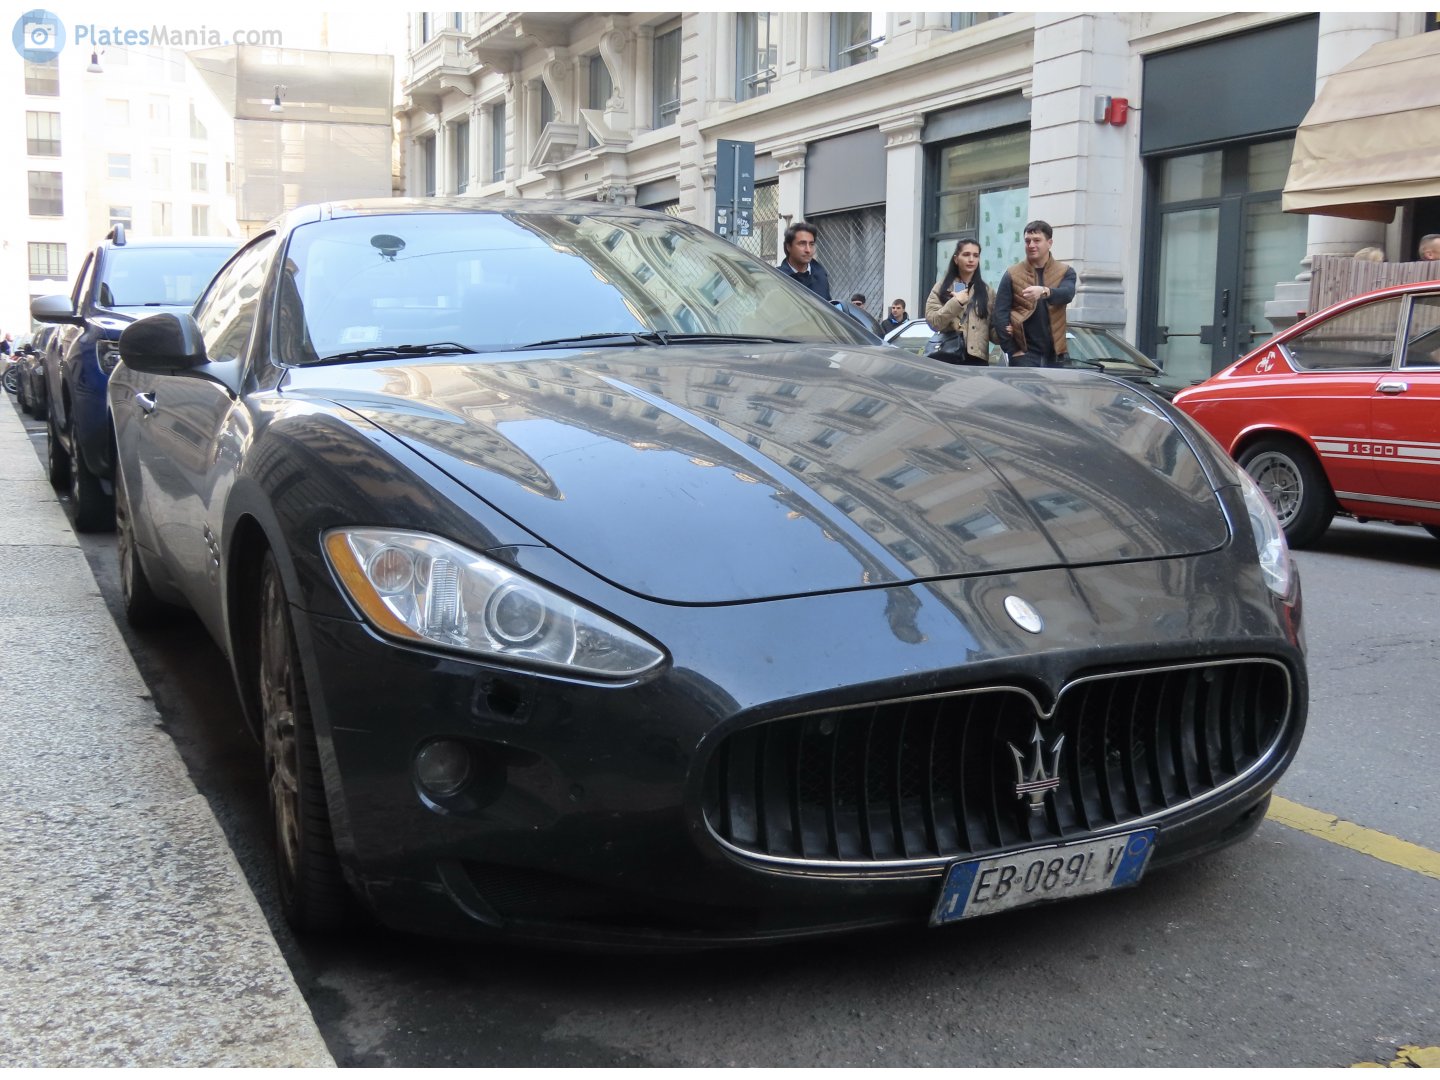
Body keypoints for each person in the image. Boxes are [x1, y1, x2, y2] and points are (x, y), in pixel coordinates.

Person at [992, 219, 1077, 367]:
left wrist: (1045, 291)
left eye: (1037, 240)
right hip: (1025, 355)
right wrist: (1012, 350)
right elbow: (1000, 314)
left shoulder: (1065, 271)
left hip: (1056, 355)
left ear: (1049, 243)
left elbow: (1067, 294)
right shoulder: (1012, 274)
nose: (1031, 245)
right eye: (1027, 241)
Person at [924, 237, 992, 366]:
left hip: (977, 361)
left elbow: (993, 330)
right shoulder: (942, 287)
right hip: (948, 356)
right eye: (966, 254)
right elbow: (933, 322)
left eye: (976, 255)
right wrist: (956, 303)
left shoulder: (987, 291)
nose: (971, 259)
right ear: (956, 259)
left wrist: (1008, 329)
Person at [776, 221, 831, 301]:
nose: (808, 250)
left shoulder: (821, 276)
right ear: (788, 247)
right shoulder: (776, 278)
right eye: (802, 244)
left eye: (811, 244)